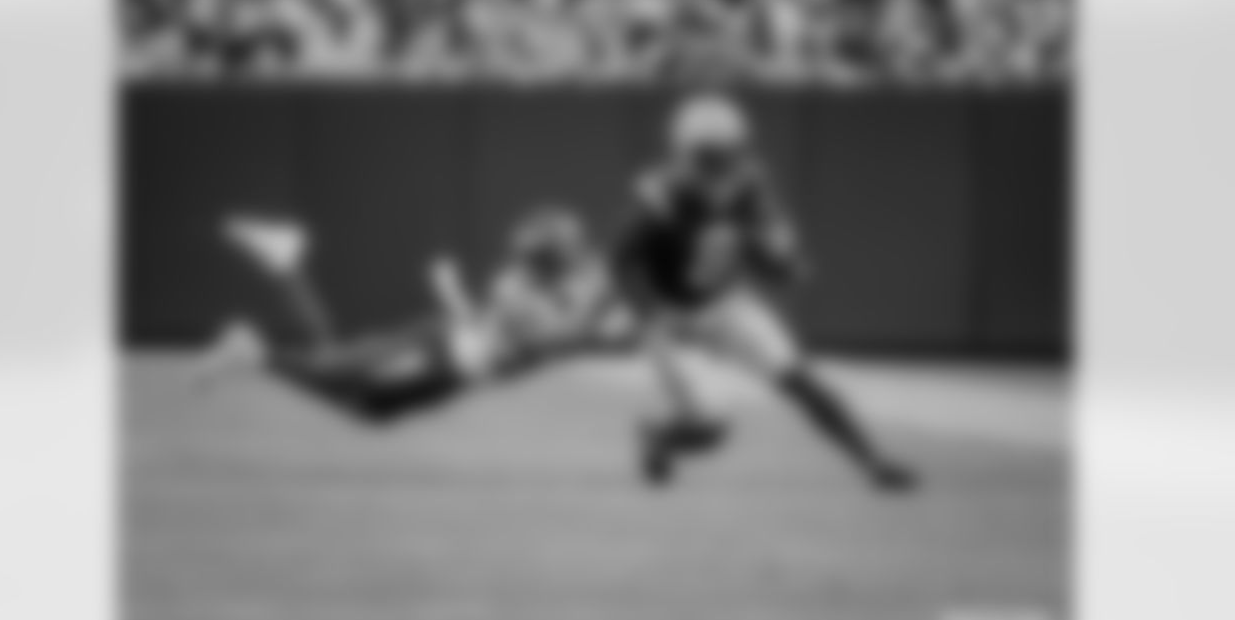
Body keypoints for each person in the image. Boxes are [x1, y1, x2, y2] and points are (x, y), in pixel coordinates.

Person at [614, 91, 919, 491]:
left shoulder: (749, 185)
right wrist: (643, 312)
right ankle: (659, 437)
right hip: (670, 317)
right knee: (711, 430)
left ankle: (873, 464)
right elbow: (623, 260)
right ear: (685, 151)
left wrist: (781, 264)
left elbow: (753, 247)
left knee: (799, 380)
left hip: (723, 304)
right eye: (707, 155)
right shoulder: (660, 193)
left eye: (722, 154)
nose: (716, 164)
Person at [198, 206, 629, 421]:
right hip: (440, 350)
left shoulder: (544, 284)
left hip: (457, 370)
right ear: (549, 258)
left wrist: (607, 310)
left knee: (368, 407)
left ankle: (285, 265)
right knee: (336, 370)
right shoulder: (518, 288)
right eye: (565, 251)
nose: (574, 256)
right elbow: (553, 336)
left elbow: (568, 326)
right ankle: (257, 347)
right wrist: (606, 319)